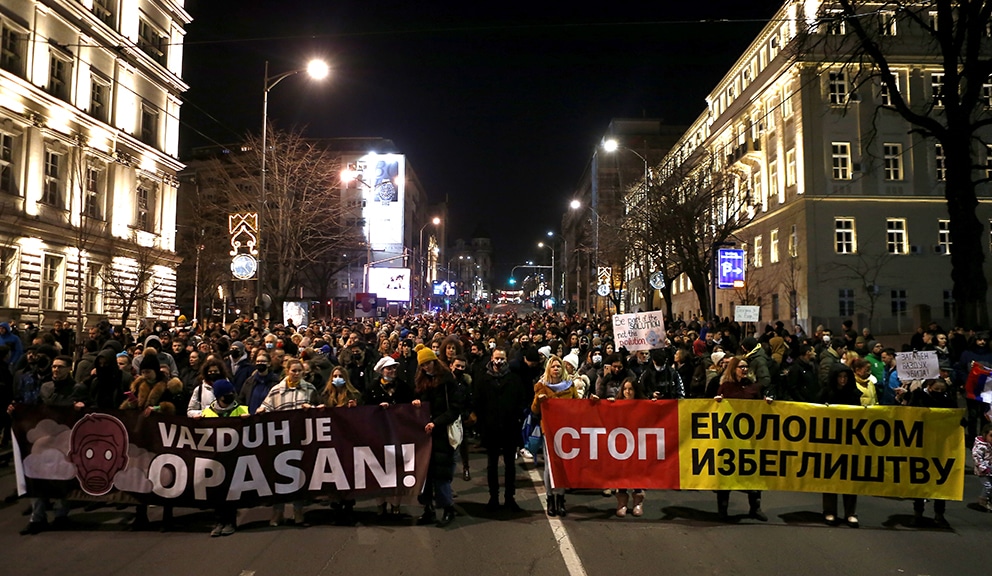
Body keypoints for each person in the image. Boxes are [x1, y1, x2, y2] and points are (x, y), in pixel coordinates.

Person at [12, 355, 86, 534]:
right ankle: (37, 518)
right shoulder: (45, 388)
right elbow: (34, 408)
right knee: (36, 475)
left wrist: (81, 408)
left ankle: (61, 515)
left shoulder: (77, 388)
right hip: (43, 438)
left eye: (60, 367)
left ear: (69, 368)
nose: (56, 370)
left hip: (65, 439)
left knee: (62, 476)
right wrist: (17, 411)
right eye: (54, 366)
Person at [119, 350, 183, 530]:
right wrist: (130, 404)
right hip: (142, 435)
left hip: (162, 436)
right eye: (143, 371)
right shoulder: (138, 385)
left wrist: (158, 407)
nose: (145, 375)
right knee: (140, 476)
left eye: (148, 372)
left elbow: (174, 408)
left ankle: (167, 517)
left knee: (165, 476)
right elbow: (128, 408)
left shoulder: (168, 386)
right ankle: (141, 516)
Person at [257, 357, 319, 527]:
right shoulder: (276, 390)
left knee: (299, 475)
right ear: (287, 371)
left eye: (299, 371)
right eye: (293, 371)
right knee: (279, 475)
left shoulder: (309, 389)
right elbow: (267, 406)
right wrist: (262, 410)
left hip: (301, 439)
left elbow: (319, 409)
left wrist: (312, 410)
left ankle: (298, 510)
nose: (297, 373)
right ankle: (278, 511)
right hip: (281, 440)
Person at [714, 356, 770, 522]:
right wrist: (717, 402)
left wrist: (767, 403)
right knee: (727, 472)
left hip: (750, 437)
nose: (744, 369)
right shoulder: (726, 387)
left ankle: (755, 507)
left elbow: (759, 407)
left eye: (746, 367)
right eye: (741, 367)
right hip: (730, 437)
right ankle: (722, 509)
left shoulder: (754, 387)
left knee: (752, 472)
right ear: (733, 369)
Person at [412, 344, 462, 527]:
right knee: (424, 474)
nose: (426, 368)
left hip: (441, 433)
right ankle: (428, 509)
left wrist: (437, 422)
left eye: (428, 364)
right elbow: (418, 401)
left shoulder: (447, 380)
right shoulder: (421, 381)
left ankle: (447, 508)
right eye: (423, 365)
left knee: (441, 475)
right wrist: (416, 404)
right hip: (425, 433)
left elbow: (455, 408)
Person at [474, 347, 527, 512]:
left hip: (510, 428)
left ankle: (509, 497)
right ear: (491, 358)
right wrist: (483, 424)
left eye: (502, 358)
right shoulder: (483, 380)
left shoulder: (514, 379)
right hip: (491, 429)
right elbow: (478, 403)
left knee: (510, 465)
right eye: (497, 358)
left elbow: (521, 400)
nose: (499, 361)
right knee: (492, 465)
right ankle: (493, 497)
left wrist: (517, 417)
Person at [531, 354, 579, 517]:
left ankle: (561, 499)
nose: (556, 368)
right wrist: (539, 399)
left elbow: (578, 406)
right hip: (549, 431)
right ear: (548, 369)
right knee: (549, 466)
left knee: (563, 465)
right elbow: (534, 410)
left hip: (566, 431)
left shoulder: (570, 386)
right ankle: (550, 499)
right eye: (553, 366)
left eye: (559, 366)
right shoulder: (541, 386)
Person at [906, 378, 956, 528]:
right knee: (920, 480)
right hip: (922, 446)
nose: (940, 393)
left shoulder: (949, 401)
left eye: (943, 390)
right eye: (937, 389)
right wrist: (914, 394)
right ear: (930, 387)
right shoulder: (920, 397)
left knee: (940, 481)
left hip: (941, 447)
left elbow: (958, 418)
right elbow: (910, 412)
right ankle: (918, 513)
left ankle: (939, 514)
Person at [200, 378, 248, 537]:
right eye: (226, 394)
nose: (230, 395)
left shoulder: (242, 410)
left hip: (234, 458)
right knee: (216, 491)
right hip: (214, 459)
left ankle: (230, 522)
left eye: (231, 393)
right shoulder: (207, 413)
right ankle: (219, 522)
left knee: (232, 491)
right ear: (219, 396)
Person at [819, 364, 861, 527]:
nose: (843, 380)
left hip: (849, 440)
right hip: (829, 441)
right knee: (830, 476)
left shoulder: (854, 394)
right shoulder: (825, 393)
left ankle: (850, 512)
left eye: (845, 377)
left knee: (849, 477)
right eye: (840, 377)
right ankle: (829, 511)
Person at [611, 376, 648, 517]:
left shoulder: (644, 404)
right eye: (625, 389)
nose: (627, 392)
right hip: (622, 445)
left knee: (637, 472)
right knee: (622, 472)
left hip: (639, 444)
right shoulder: (617, 404)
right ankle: (622, 502)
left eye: (630, 389)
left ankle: (638, 502)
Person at [973, 423, 992, 512]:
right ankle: (983, 501)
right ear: (985, 434)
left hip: (990, 469)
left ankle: (989, 500)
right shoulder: (980, 446)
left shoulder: (990, 444)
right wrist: (983, 468)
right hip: (983, 470)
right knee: (988, 486)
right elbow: (977, 458)